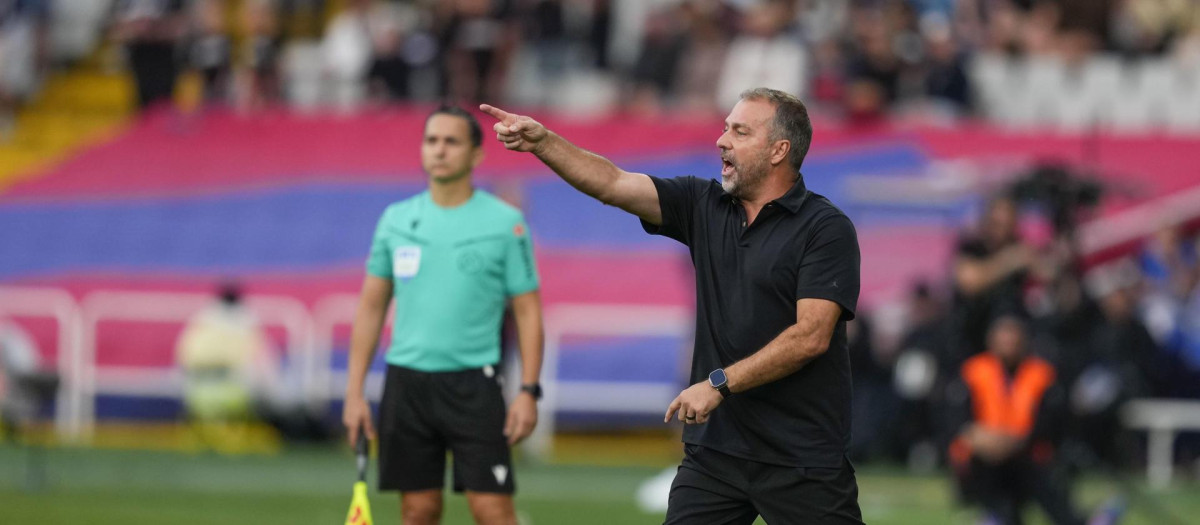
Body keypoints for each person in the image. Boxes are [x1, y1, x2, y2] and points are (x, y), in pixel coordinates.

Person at [481, 86, 863, 523]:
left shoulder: (825, 228)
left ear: (779, 150)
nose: (722, 140)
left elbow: (810, 337)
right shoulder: (703, 203)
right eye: (724, 128)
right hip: (716, 454)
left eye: (739, 131)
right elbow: (611, 182)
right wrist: (543, 143)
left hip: (802, 455)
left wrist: (718, 383)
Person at [342, 105, 544, 525]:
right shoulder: (396, 220)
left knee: (492, 511)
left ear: (476, 155)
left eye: (451, 141)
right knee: (419, 511)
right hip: (407, 384)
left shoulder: (506, 223)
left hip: (476, 386)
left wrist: (528, 389)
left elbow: (527, 312)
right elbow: (371, 308)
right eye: (432, 140)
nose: (439, 150)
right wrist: (354, 391)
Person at [944, 316, 1108, 525]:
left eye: (1014, 336)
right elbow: (955, 419)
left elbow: (1050, 422)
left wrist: (1012, 442)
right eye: (1003, 336)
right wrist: (982, 439)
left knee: (1049, 487)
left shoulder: (1041, 373)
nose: (1009, 343)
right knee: (997, 496)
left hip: (1026, 453)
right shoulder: (973, 371)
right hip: (984, 457)